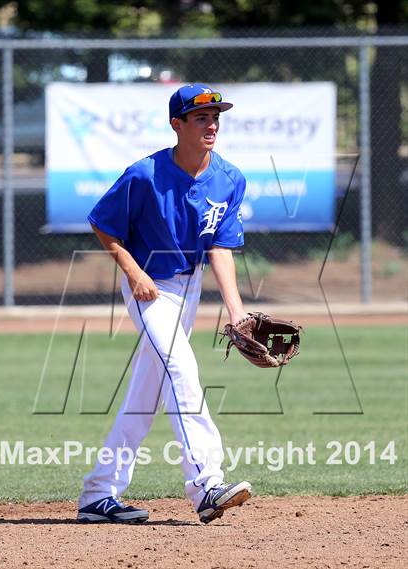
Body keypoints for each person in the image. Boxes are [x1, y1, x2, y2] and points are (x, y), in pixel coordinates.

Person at [77, 83, 252, 524]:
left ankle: (99, 493)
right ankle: (206, 484)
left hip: (189, 289)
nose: (211, 124)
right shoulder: (144, 174)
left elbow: (221, 248)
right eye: (200, 118)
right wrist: (133, 272)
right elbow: (103, 224)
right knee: (180, 368)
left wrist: (236, 310)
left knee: (147, 393)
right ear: (177, 124)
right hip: (149, 286)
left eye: (216, 117)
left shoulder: (229, 179)